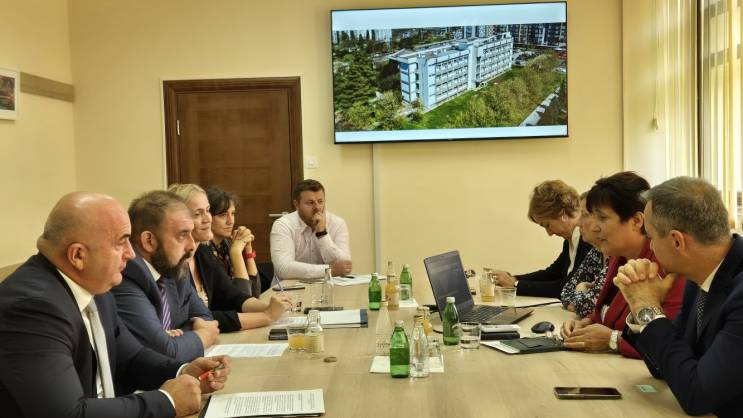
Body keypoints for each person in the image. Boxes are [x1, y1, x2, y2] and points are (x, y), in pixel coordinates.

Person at [0, 192, 230, 418]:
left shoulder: (96, 288)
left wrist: (182, 371)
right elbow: (66, 414)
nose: (131, 254)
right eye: (121, 242)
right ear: (78, 255)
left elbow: (131, 358)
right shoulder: (32, 309)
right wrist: (167, 401)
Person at [614, 177, 743, 416]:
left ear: (676, 241)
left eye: (651, 237)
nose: (650, 248)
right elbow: (666, 368)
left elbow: (698, 396)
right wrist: (642, 309)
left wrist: (647, 308)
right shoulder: (698, 276)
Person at [560, 171, 686, 358]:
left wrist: (614, 340)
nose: (594, 227)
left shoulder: (665, 264)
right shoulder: (619, 256)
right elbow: (607, 312)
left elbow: (672, 342)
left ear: (636, 221)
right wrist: (586, 323)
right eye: (592, 217)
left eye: (603, 218)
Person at [112, 190, 220, 363]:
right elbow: (165, 353)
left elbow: (205, 317)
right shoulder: (126, 274)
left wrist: (176, 338)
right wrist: (203, 335)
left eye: (191, 234)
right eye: (182, 235)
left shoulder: (173, 267)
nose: (192, 246)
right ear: (149, 241)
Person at [169, 184, 292, 333]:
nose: (207, 219)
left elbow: (232, 295)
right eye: (197, 214)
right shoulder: (172, 264)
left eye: (207, 211)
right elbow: (199, 318)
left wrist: (271, 307)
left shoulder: (202, 253)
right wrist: (267, 316)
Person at [493, 180, 592, 298]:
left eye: (547, 225)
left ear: (562, 213)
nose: (549, 233)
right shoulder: (571, 239)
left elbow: (568, 286)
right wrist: (514, 279)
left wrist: (515, 285)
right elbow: (552, 273)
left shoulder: (588, 239)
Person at [270, 179, 352, 279]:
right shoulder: (283, 225)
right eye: (310, 203)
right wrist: (329, 270)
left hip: (328, 285)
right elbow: (283, 269)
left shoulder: (337, 223)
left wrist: (322, 234)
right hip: (290, 287)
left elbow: (345, 266)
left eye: (320, 202)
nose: (317, 207)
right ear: (296, 205)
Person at [205, 186, 260, 297]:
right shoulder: (204, 251)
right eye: (223, 215)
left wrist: (248, 250)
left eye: (233, 213)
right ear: (207, 217)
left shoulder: (225, 244)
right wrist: (236, 252)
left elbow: (255, 292)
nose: (230, 221)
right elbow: (243, 299)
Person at [560, 192, 608, 318]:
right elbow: (565, 292)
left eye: (585, 215)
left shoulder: (616, 254)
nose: (578, 223)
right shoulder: (596, 251)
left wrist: (581, 288)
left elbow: (587, 307)